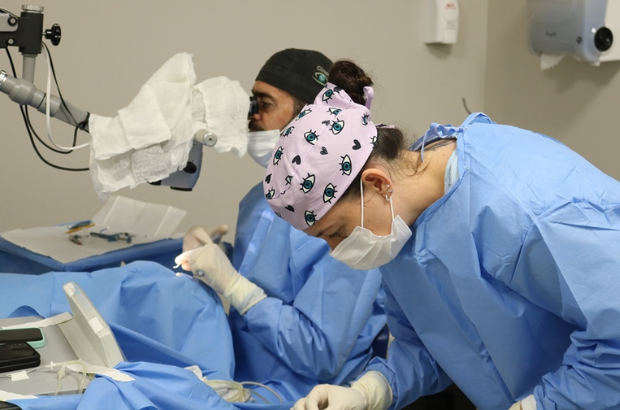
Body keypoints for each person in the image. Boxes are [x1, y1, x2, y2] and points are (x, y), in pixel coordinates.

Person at [262, 60, 620, 410]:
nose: (337, 251)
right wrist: (372, 390)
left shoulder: (523, 207)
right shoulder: (400, 222)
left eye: (336, 233)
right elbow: (435, 345)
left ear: (376, 183)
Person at [177, 49, 387, 404]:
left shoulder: (347, 218)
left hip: (302, 396)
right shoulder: (259, 199)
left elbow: (319, 353)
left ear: (307, 116)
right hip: (239, 375)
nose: (252, 117)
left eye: (264, 104)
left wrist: (233, 284)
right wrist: (215, 258)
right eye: (250, 104)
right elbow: (264, 278)